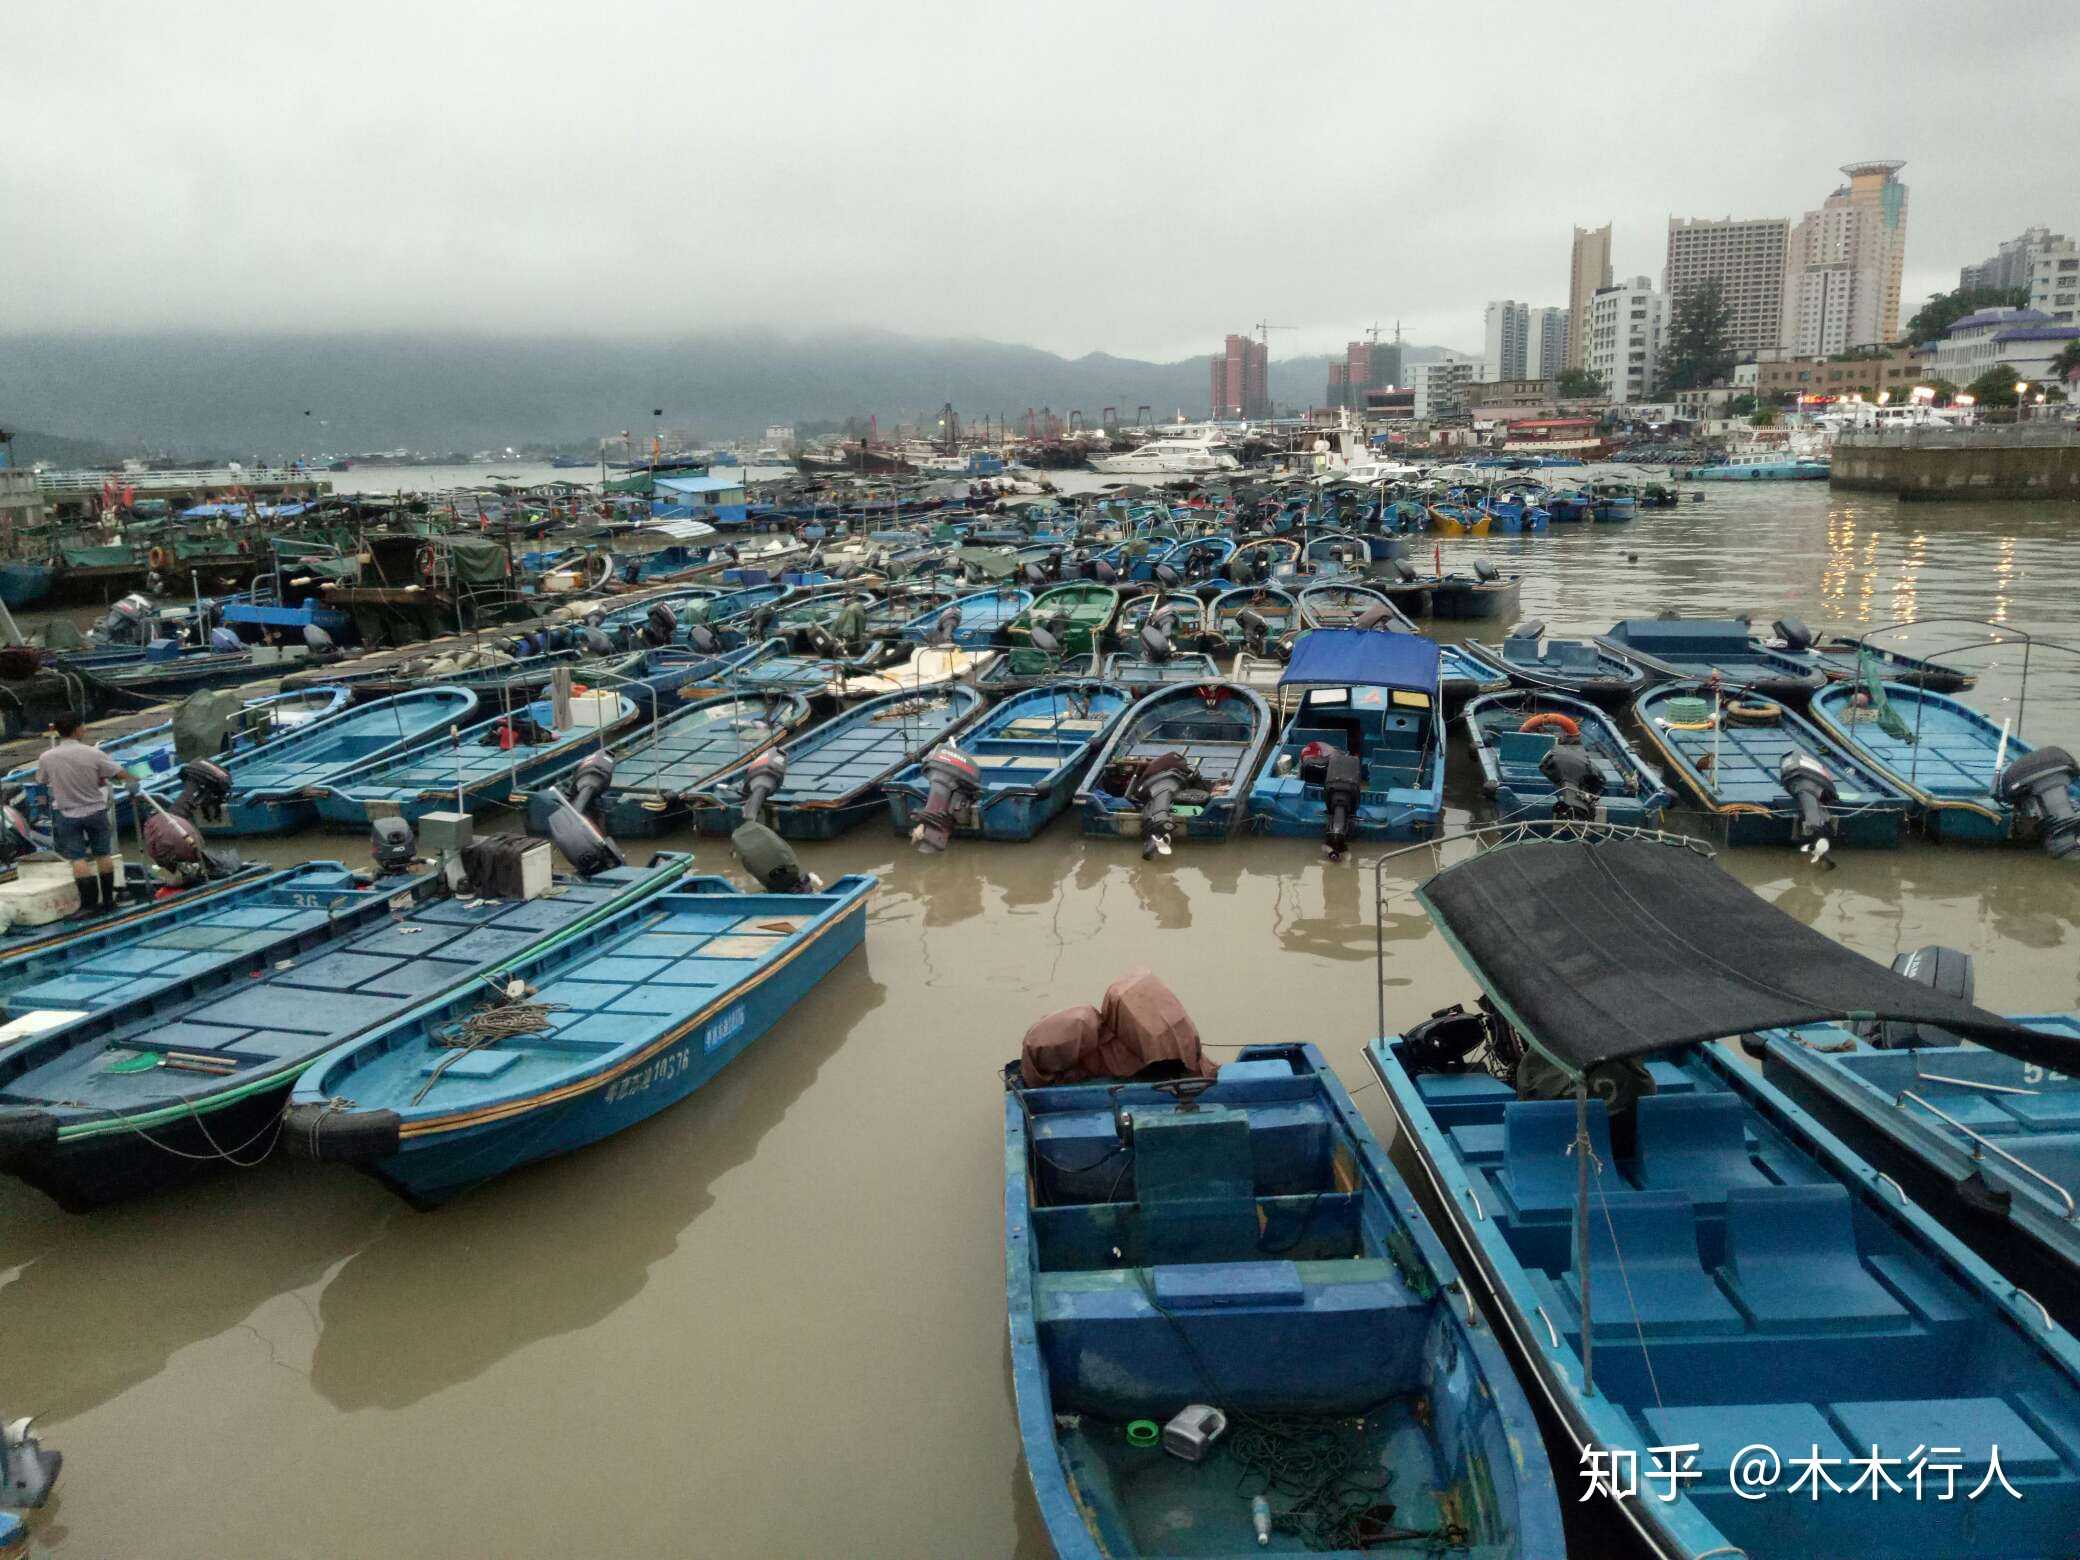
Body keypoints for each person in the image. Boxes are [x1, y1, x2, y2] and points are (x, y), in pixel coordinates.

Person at [34, 715, 140, 919]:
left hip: (66, 813)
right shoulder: (93, 753)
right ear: (75, 730)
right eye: (83, 727)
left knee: (78, 859)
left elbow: (42, 780)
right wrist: (133, 781)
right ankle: (108, 901)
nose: (85, 730)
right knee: (103, 854)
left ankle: (89, 905)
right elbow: (120, 773)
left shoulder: (46, 757)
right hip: (95, 811)